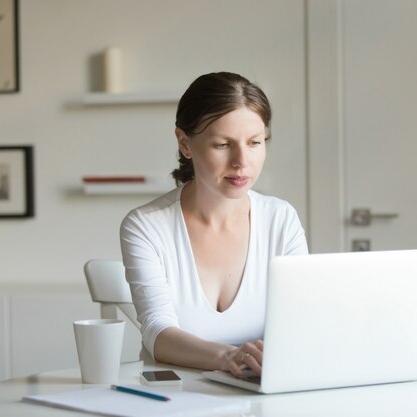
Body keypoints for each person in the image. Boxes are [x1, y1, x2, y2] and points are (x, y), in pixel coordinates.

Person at [120, 72, 308, 379]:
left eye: (255, 142)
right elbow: (157, 333)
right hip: (175, 399)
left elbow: (302, 320)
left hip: (262, 394)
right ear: (185, 144)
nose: (241, 161)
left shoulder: (280, 220)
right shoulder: (146, 226)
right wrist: (228, 357)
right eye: (222, 144)